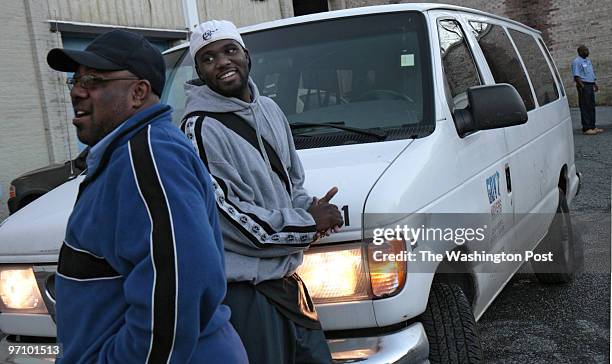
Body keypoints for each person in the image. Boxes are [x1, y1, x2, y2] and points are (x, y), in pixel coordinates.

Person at [47, 29, 247, 363]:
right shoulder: (127, 154)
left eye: (93, 80)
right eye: (75, 80)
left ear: (138, 92)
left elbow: (177, 291)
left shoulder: (151, 157)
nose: (78, 92)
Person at [182, 20, 344, 364]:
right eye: (208, 58)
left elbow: (291, 184)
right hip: (245, 295)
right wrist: (305, 224)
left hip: (289, 283)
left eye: (229, 50)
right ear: (200, 72)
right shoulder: (199, 128)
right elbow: (224, 217)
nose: (222, 62)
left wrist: (314, 210)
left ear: (246, 55)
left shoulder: (270, 109)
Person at [572, 45, 602, 135]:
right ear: (579, 52)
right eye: (585, 50)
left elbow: (591, 73)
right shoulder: (576, 61)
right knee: (585, 106)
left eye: (587, 50)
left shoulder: (588, 60)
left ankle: (593, 126)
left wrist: (595, 84)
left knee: (591, 106)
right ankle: (586, 128)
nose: (587, 51)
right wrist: (582, 87)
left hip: (590, 84)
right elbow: (576, 76)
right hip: (583, 85)